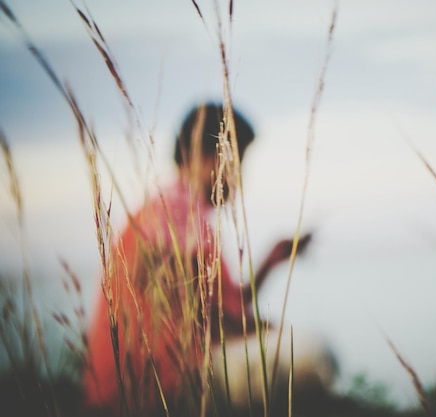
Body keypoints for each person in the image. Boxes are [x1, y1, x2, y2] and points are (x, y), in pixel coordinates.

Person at [82, 102, 336, 416]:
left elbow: (219, 306)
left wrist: (273, 258)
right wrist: (266, 331)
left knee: (290, 344)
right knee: (314, 353)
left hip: (145, 384)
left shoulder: (172, 207)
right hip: (157, 388)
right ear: (208, 156)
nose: (240, 178)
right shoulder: (176, 210)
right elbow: (207, 319)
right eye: (238, 163)